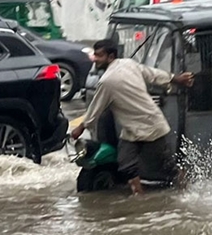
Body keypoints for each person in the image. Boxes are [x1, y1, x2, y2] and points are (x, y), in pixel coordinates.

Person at [70, 39, 195, 196]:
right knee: (126, 164)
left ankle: (187, 189)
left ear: (111, 57)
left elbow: (95, 109)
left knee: (165, 166)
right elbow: (153, 74)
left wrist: (80, 129)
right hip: (133, 128)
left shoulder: (107, 81)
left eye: (99, 55)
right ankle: (139, 197)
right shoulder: (128, 64)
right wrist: (177, 79)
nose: (95, 58)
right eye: (94, 54)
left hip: (150, 126)